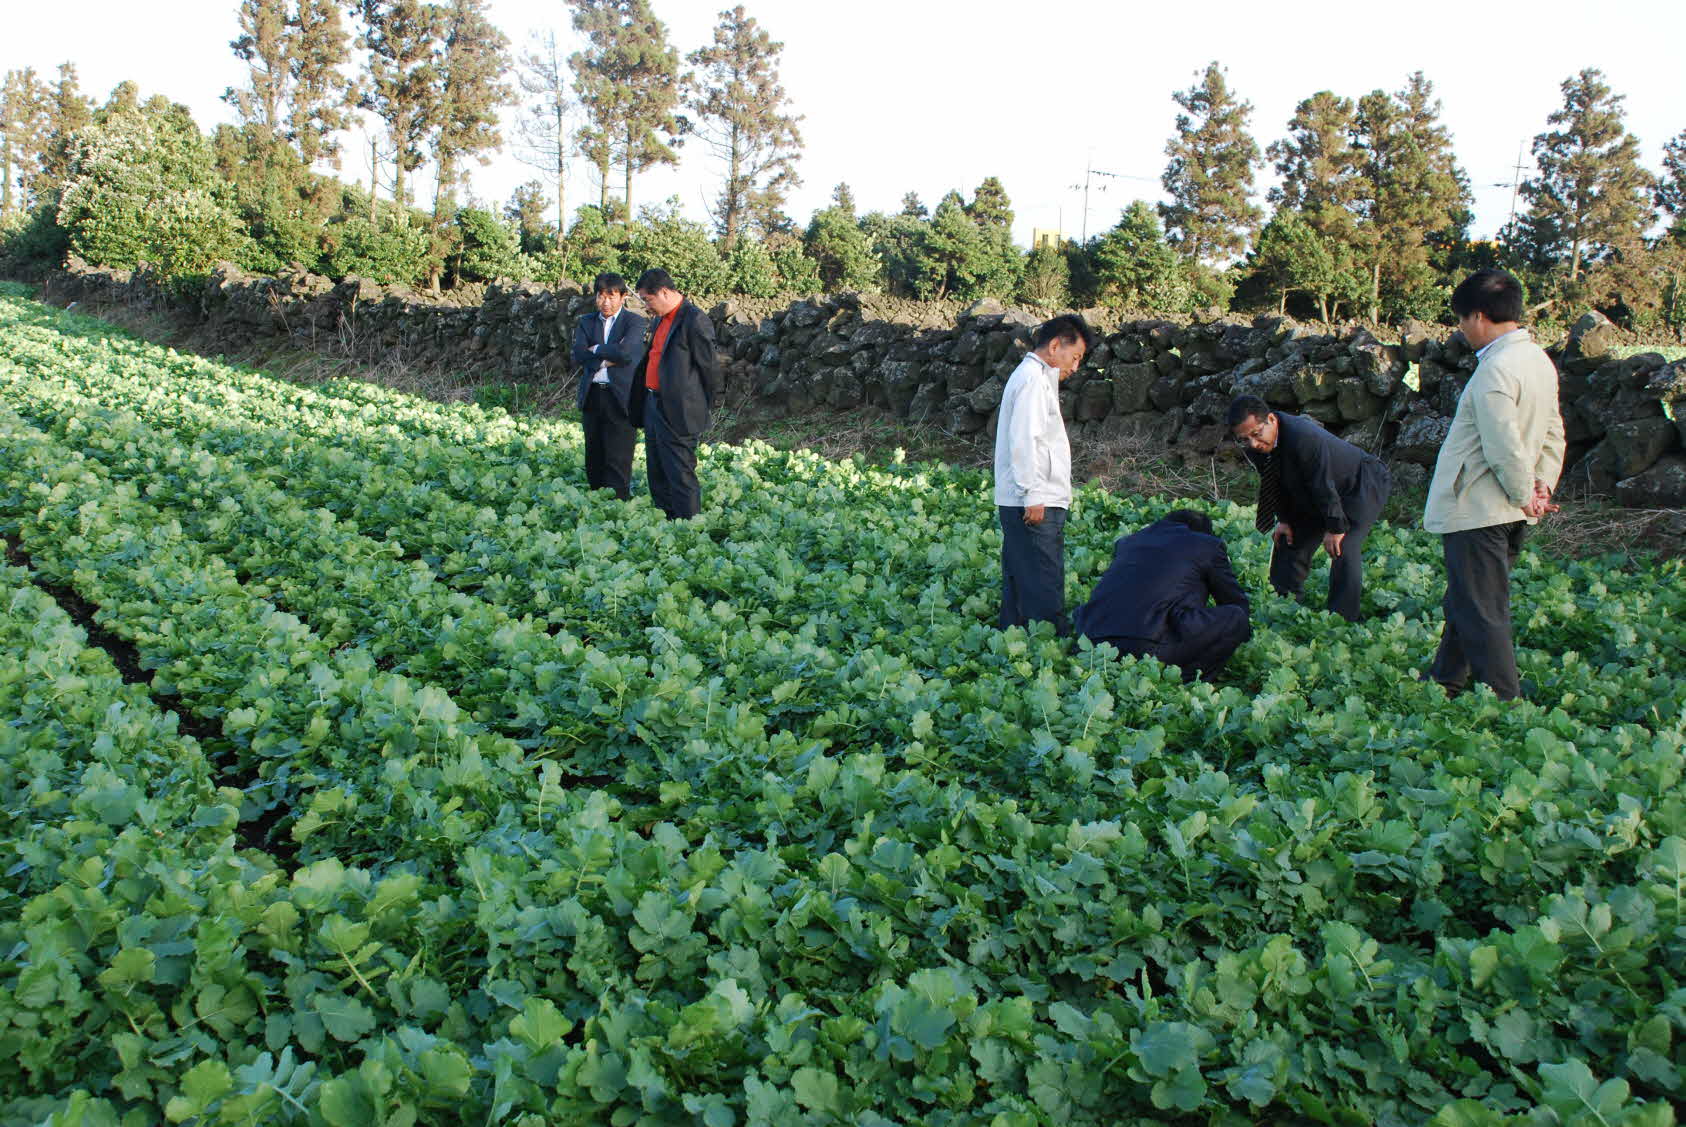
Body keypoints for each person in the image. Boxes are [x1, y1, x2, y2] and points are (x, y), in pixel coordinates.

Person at [1423, 268, 1565, 700]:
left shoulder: (1496, 369)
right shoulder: (1537, 361)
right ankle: (1445, 680)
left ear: (1479, 316)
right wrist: (1542, 486)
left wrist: (1525, 495)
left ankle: (1504, 701)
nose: (1461, 329)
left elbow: (1503, 445)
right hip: (1511, 508)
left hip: (1480, 507)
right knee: (1467, 600)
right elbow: (1553, 432)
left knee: (1482, 610)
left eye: (1462, 319)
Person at [1227, 394, 1392, 622]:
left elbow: (1322, 483)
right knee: (1289, 538)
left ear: (1271, 420)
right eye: (1244, 439)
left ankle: (1342, 620)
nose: (1253, 443)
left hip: (1360, 482)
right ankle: (1285, 606)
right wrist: (1284, 519)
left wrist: (1335, 527)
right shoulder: (1255, 447)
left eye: (1256, 434)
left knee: (1343, 545)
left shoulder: (1304, 437)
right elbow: (1275, 481)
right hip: (1314, 489)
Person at [993, 314, 1096, 633]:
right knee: (1043, 578)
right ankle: (1048, 643)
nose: (1075, 367)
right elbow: (1026, 439)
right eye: (1075, 356)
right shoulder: (1033, 381)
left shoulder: (1034, 376)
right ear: (1054, 346)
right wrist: (1033, 494)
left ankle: (1015, 639)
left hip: (1024, 497)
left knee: (1021, 575)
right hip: (1034, 500)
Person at [1074, 508, 1252, 681]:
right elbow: (1234, 601)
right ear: (1203, 533)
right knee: (1236, 617)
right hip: (1148, 646)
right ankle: (1187, 679)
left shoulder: (1127, 543)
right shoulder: (1206, 544)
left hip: (1092, 644)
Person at [635, 269, 719, 520]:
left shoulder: (694, 320)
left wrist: (697, 406)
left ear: (664, 292)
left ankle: (689, 528)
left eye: (647, 299)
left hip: (679, 410)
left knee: (680, 472)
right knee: (657, 469)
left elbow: (709, 369)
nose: (646, 306)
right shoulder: (659, 319)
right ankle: (666, 522)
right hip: (653, 404)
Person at [571, 272, 649, 500]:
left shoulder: (634, 322)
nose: (605, 302)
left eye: (611, 296)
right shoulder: (586, 322)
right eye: (601, 296)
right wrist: (607, 357)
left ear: (623, 297)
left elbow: (625, 354)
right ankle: (596, 500)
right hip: (593, 395)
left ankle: (619, 503)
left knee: (619, 456)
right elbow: (578, 354)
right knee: (594, 454)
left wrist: (595, 350)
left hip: (621, 397)